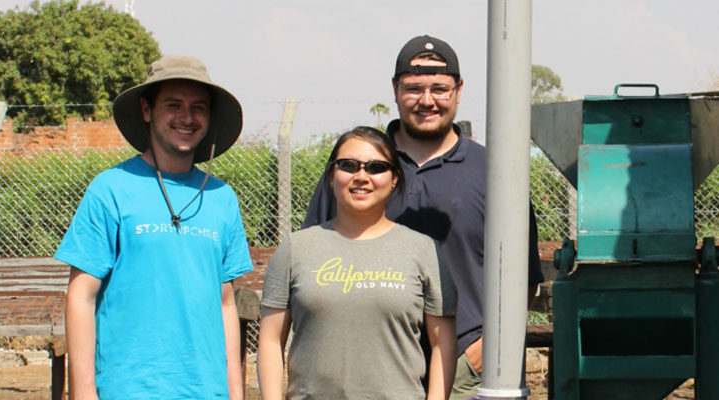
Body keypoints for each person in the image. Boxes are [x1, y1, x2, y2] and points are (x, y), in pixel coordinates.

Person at [301, 36, 545, 400]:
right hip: (372, 367)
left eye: (440, 89)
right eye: (414, 88)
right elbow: (313, 258)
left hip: (466, 369)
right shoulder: (358, 169)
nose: (427, 101)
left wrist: (484, 349)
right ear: (396, 90)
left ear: (459, 90)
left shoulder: (495, 172)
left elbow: (520, 276)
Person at [57, 55, 253, 399]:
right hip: (127, 388)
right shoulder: (111, 189)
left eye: (199, 107)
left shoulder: (222, 198)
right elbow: (81, 296)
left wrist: (235, 393)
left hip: (206, 390)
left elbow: (225, 303)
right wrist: (84, 393)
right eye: (173, 105)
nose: (187, 118)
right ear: (147, 110)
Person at [258, 126, 458, 400]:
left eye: (376, 167)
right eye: (348, 166)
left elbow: (442, 343)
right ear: (331, 176)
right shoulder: (296, 248)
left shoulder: (424, 250)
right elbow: (270, 340)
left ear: (395, 179)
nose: (361, 177)